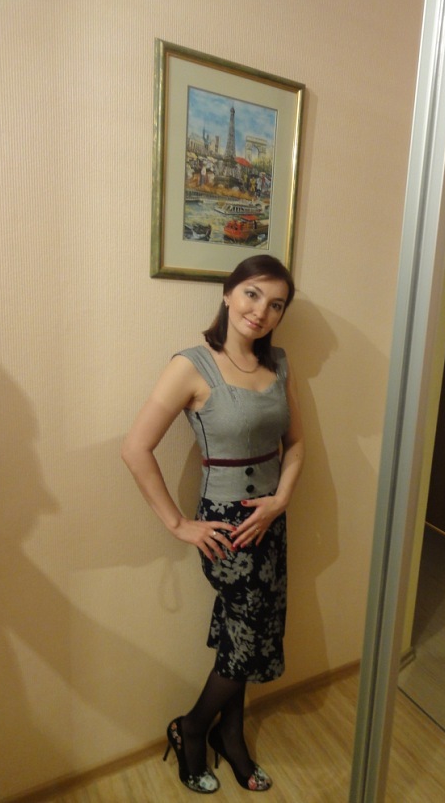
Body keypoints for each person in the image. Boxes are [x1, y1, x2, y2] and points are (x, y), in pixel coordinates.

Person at [121, 255, 304, 794]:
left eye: (276, 304)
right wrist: (179, 524)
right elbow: (135, 448)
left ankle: (231, 734)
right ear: (228, 293)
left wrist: (280, 501)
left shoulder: (280, 365)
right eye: (252, 294)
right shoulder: (191, 365)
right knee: (246, 635)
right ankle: (194, 727)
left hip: (271, 520)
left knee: (244, 633)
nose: (261, 311)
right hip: (225, 527)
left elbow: (295, 444)